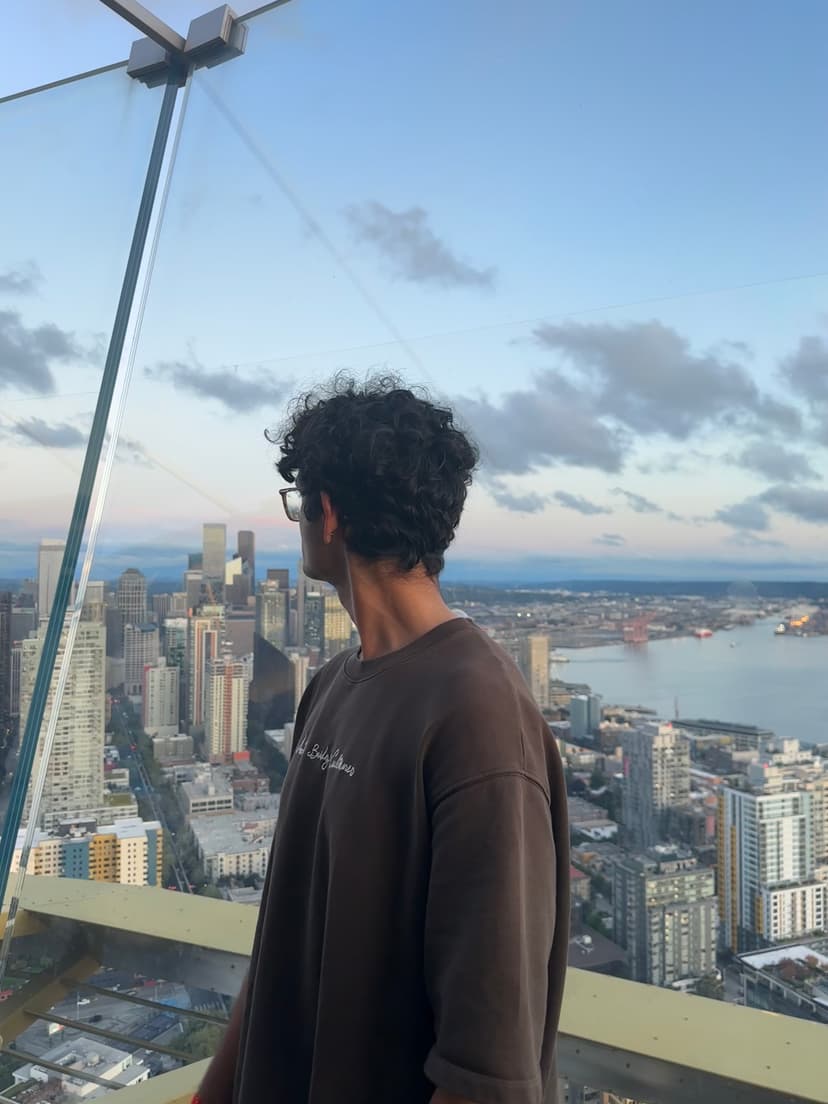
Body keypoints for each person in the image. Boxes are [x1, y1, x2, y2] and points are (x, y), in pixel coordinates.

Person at [195, 376, 569, 1104]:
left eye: (300, 501)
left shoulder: (479, 721)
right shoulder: (333, 685)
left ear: (328, 514)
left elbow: (488, 1077)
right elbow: (280, 951)